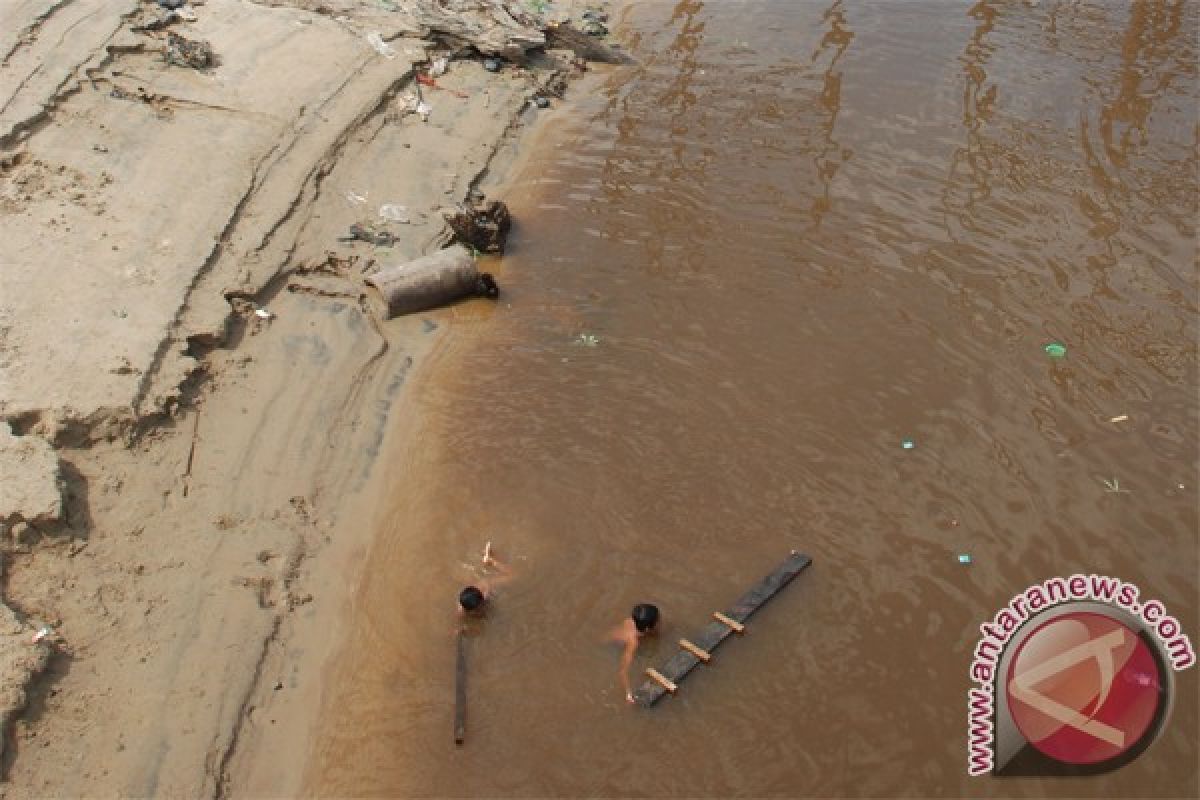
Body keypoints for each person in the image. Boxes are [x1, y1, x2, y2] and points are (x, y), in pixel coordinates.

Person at [610, 603, 660, 704]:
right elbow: (623, 671)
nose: (659, 621)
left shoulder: (631, 621)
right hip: (611, 646)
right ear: (647, 629)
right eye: (658, 620)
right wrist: (628, 693)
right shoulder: (633, 642)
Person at [457, 541, 513, 618]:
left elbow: (511, 576)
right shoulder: (463, 608)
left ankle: (490, 561)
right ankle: (488, 559)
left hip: (485, 584)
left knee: (511, 576)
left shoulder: (486, 589)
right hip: (476, 589)